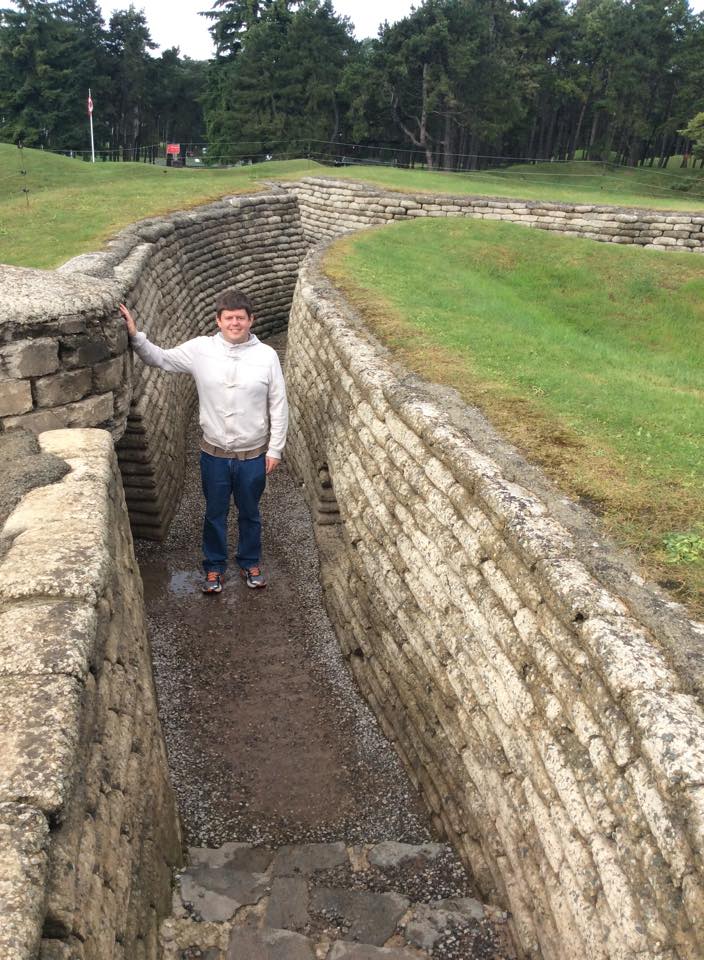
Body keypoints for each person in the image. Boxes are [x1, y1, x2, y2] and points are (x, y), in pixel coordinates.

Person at [119, 289, 288, 594]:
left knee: (250, 512)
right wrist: (135, 336)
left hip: (253, 455)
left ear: (251, 320)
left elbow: (278, 403)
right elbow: (160, 358)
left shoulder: (267, 356)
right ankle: (214, 567)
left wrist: (275, 448)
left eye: (240, 318)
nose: (234, 323)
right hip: (214, 454)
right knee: (214, 512)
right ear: (218, 321)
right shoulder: (201, 350)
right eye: (229, 318)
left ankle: (250, 561)